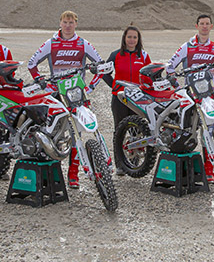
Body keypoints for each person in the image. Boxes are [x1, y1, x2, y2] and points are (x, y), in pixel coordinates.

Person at [27, 10, 102, 189]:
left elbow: (100, 65)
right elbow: (31, 64)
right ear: (60, 23)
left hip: (76, 96)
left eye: (71, 22)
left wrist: (90, 87)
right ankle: (52, 175)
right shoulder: (51, 43)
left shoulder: (83, 44)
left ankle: (73, 176)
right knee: (51, 135)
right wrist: (44, 85)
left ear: (76, 24)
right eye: (65, 22)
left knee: (76, 134)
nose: (68, 25)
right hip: (56, 95)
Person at [165, 13, 214, 183]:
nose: (204, 26)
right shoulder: (187, 46)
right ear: (196, 26)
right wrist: (178, 88)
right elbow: (170, 67)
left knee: (209, 130)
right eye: (202, 23)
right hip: (191, 96)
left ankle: (209, 170)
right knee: (187, 130)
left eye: (207, 24)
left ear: (211, 26)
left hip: (209, 96)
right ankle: (182, 169)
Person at [100, 25, 151, 176]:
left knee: (137, 129)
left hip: (138, 98)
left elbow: (149, 76)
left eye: (135, 37)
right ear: (124, 38)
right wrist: (114, 86)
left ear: (138, 39)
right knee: (120, 129)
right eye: (129, 37)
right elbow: (104, 73)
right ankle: (120, 164)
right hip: (120, 98)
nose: (132, 40)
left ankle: (134, 162)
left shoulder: (143, 56)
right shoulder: (115, 55)